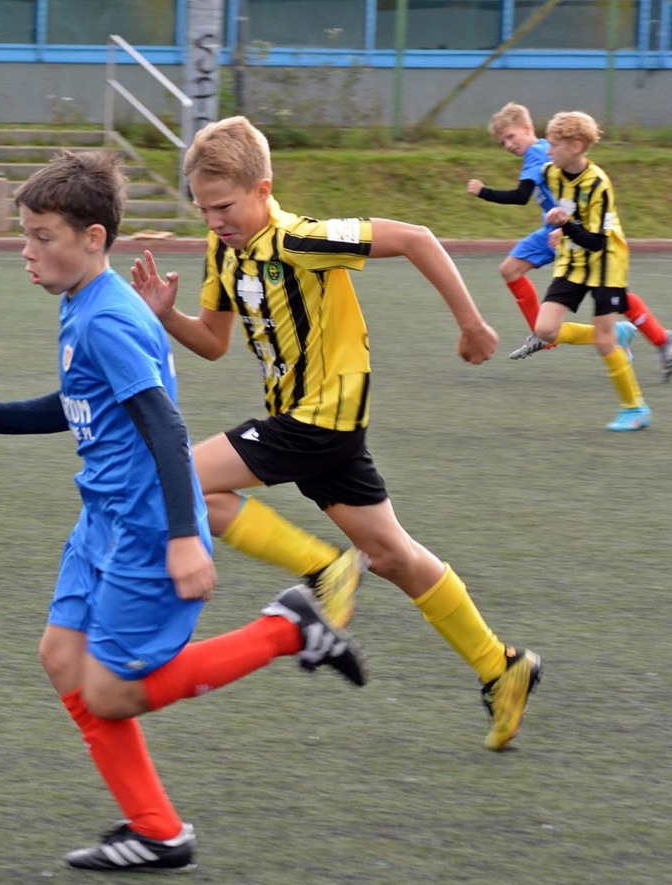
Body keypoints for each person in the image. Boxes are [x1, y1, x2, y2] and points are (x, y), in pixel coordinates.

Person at [0, 150, 367, 872]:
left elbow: (165, 427)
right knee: (62, 659)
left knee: (111, 692)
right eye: (26, 234)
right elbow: (79, 403)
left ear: (93, 238)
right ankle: (159, 832)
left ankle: (285, 630)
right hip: (101, 522)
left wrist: (183, 538)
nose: (26, 250)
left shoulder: (107, 317)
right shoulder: (85, 303)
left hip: (146, 528)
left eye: (42, 236)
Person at [131, 116, 541, 751]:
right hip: (313, 428)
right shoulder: (225, 249)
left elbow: (418, 238)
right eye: (203, 209)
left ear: (263, 189)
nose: (213, 220)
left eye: (224, 206)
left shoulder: (303, 238)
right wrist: (167, 317)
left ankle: (323, 568)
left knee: (179, 481)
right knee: (394, 557)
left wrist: (472, 323)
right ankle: (500, 665)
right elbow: (212, 342)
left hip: (319, 420)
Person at [466, 101, 672, 384]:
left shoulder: (538, 154)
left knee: (607, 291)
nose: (508, 144)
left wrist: (483, 192)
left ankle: (652, 339)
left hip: (570, 230)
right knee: (513, 270)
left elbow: (521, 196)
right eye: (503, 142)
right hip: (558, 229)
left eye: (511, 136)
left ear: (528, 128)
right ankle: (548, 333)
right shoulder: (544, 151)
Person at [505, 111, 653, 431]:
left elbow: (597, 242)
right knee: (545, 330)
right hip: (572, 259)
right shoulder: (551, 172)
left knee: (603, 342)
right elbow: (537, 199)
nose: (548, 150)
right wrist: (561, 230)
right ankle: (617, 333)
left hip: (606, 263)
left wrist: (565, 226)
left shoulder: (598, 184)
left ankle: (635, 408)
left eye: (554, 145)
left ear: (576, 146)